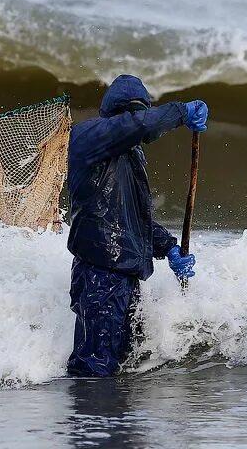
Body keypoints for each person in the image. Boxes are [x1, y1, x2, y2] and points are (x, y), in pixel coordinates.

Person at [65, 74, 206, 377]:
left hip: (125, 273)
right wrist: (181, 112)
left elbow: (134, 216)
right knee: (94, 367)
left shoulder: (132, 154)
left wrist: (168, 247)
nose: (134, 120)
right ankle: (91, 409)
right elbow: (138, 126)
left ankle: (112, 409)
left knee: (122, 364)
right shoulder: (88, 136)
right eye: (130, 113)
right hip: (101, 271)